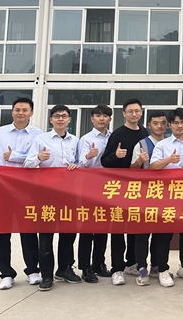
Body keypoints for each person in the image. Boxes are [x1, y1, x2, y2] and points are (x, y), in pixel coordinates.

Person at [0, 97, 43, 290]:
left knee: (28, 230)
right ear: (12, 111)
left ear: (31, 113)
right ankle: (6, 274)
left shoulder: (38, 135)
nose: (21, 113)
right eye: (17, 110)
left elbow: (36, 159)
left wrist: (14, 157)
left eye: (25, 110)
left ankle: (32, 271)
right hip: (3, 188)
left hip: (27, 188)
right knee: (1, 231)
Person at [24, 104, 80, 292]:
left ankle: (64, 269)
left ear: (69, 119)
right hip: (46, 193)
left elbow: (80, 163)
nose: (60, 119)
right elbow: (28, 164)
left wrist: (76, 166)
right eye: (56, 116)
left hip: (68, 193)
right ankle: (46, 275)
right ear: (51, 119)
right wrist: (39, 158)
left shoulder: (74, 140)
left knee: (68, 233)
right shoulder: (41, 139)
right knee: (46, 235)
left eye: (64, 116)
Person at [137, 108, 183, 288]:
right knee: (164, 233)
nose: (180, 125)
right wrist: (169, 160)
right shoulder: (163, 145)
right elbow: (153, 166)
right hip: (166, 195)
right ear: (170, 125)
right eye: (176, 122)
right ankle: (162, 269)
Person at [100, 98, 149, 286]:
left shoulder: (144, 132)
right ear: (124, 114)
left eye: (137, 111)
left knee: (136, 227)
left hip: (139, 189)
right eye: (130, 111)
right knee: (119, 229)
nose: (134, 114)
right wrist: (116, 155)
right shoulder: (118, 134)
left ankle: (131, 263)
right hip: (119, 188)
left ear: (141, 112)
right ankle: (117, 269)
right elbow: (105, 161)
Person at [130, 111, 171, 281]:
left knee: (163, 234)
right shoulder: (141, 144)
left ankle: (159, 266)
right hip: (145, 195)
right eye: (155, 123)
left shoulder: (171, 144)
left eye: (163, 123)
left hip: (167, 195)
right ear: (149, 125)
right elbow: (131, 171)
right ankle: (141, 267)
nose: (159, 126)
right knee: (143, 233)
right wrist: (139, 162)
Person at [76, 104, 113, 284]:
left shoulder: (113, 137)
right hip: (89, 187)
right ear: (92, 119)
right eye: (98, 115)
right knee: (87, 229)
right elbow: (80, 164)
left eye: (105, 115)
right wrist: (89, 156)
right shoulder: (86, 139)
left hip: (108, 188)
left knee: (103, 228)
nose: (101, 118)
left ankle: (99, 263)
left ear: (110, 119)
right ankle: (85, 267)